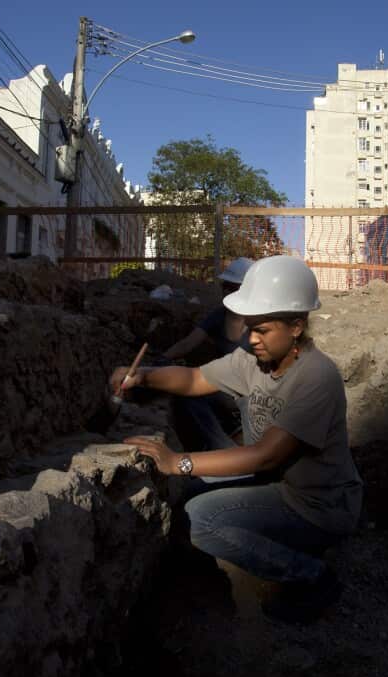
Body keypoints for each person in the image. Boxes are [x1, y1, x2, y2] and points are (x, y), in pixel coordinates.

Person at [112, 255, 361, 624]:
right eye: (250, 328)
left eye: (262, 329)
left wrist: (177, 461)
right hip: (278, 484)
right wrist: (142, 377)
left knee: (199, 519)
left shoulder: (317, 378)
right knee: (190, 493)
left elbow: (264, 456)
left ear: (297, 326)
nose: (251, 338)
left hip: (317, 507)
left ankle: (311, 577)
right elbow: (196, 379)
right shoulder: (255, 360)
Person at [162, 257, 254, 457]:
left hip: (253, 392)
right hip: (226, 386)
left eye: (233, 287)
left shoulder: (258, 321)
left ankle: (232, 451)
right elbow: (189, 343)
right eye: (225, 287)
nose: (227, 292)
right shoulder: (219, 315)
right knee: (187, 397)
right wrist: (162, 359)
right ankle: (223, 449)